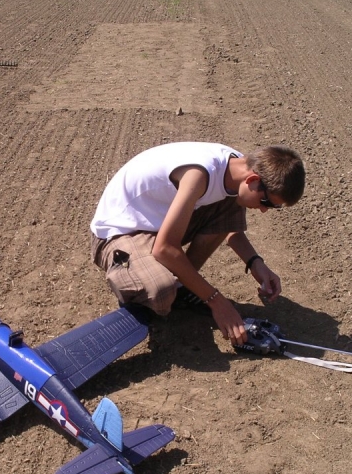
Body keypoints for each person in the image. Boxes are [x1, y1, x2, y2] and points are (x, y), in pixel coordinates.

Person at [90, 141, 305, 346]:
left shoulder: (238, 167)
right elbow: (165, 249)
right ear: (252, 181)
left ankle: (180, 285)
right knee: (161, 292)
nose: (264, 209)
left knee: (230, 205)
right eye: (266, 202)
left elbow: (230, 228)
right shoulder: (198, 175)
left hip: (156, 222)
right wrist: (216, 301)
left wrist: (257, 263)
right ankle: (139, 290)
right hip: (120, 231)